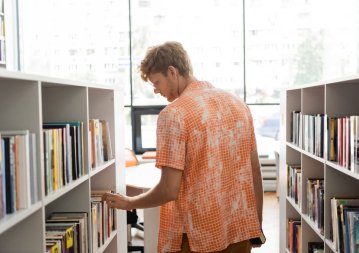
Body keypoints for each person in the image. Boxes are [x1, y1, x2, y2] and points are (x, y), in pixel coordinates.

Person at [103, 41, 264, 253]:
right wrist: (256, 224)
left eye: (157, 83)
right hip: (240, 228)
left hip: (197, 237)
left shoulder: (174, 114)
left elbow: (169, 190)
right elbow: (254, 169)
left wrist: (129, 202)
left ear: (172, 72)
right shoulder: (237, 103)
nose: (156, 91)